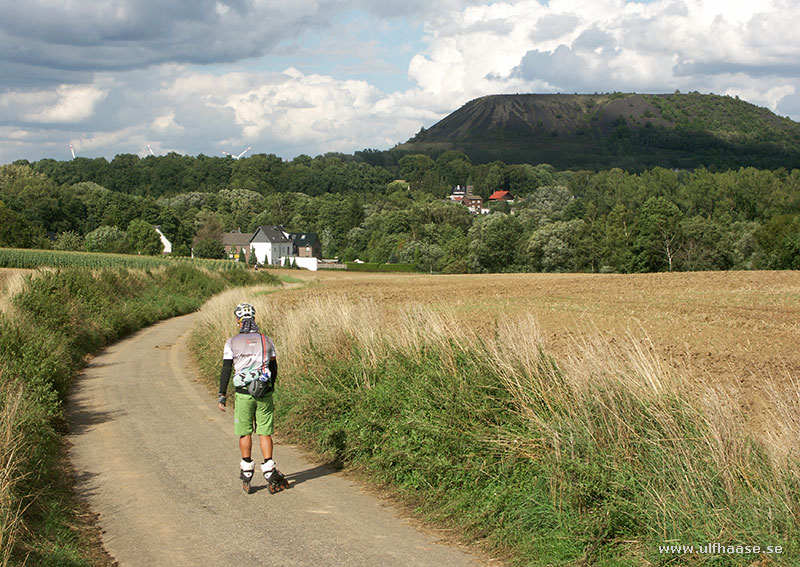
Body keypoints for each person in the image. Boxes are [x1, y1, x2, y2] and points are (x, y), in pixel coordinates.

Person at [217, 302, 286, 493]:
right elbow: (273, 368)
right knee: (265, 432)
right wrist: (272, 387)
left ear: (239, 321)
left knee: (245, 432)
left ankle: (247, 471)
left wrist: (222, 394)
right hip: (264, 393)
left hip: (243, 394)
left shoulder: (231, 342)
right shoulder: (267, 340)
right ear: (254, 318)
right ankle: (270, 471)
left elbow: (226, 369)